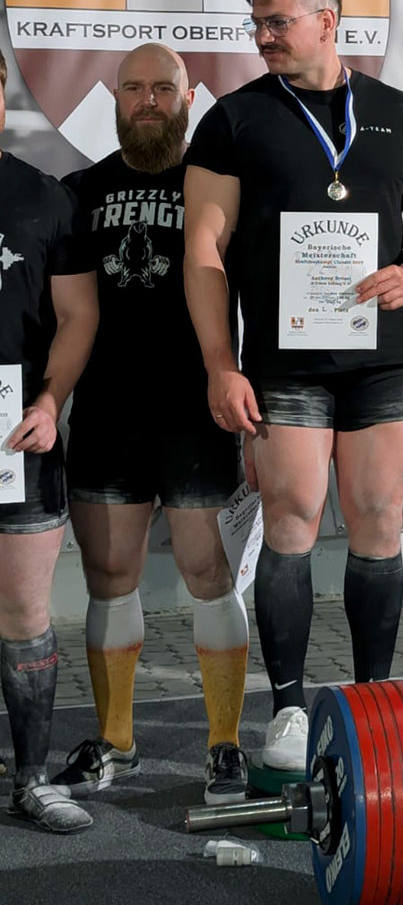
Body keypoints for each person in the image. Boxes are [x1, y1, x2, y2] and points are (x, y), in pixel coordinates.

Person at [184, 0, 403, 769]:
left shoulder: (398, 112)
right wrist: (220, 365)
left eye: (278, 22)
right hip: (283, 362)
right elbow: (204, 248)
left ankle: (374, 703)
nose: (262, 36)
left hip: (380, 362)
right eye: (256, 22)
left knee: (378, 522)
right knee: (293, 523)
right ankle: (291, 709)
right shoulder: (232, 119)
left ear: (328, 21)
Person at [51, 44, 247, 806]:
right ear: (114, 98)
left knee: (209, 576)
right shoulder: (78, 191)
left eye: (162, 88)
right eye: (133, 88)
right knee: (109, 580)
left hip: (197, 416)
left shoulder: (221, 188)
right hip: (105, 416)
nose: (148, 101)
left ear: (190, 96)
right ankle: (115, 741)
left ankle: (225, 744)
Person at [0, 47, 98, 832]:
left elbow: (77, 317)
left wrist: (51, 400)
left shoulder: (45, 199)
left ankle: (31, 777)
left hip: (18, 438)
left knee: (26, 611)